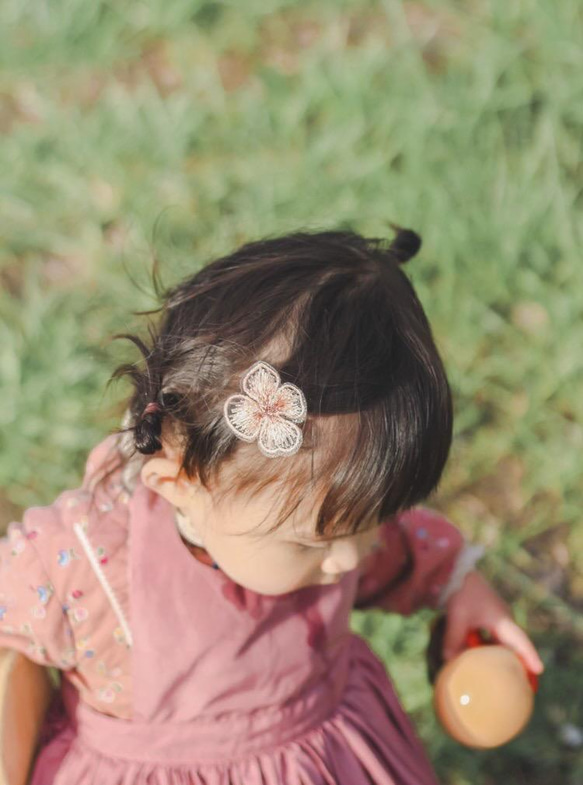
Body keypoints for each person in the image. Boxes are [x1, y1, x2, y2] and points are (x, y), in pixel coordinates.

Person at [1, 226, 544, 785]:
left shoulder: (321, 523)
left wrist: (459, 584)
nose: (353, 559)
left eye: (374, 522)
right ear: (179, 483)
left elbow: (400, 555)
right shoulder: (87, 570)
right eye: (316, 540)